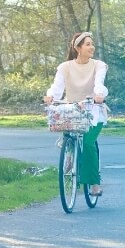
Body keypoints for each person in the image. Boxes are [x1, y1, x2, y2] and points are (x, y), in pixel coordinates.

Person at [44, 31, 109, 196]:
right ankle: (70, 167)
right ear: (77, 48)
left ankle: (94, 183)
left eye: (92, 44)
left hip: (93, 111)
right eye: (88, 44)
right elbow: (57, 87)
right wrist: (51, 96)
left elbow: (98, 83)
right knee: (69, 139)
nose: (92, 47)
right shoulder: (65, 67)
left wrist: (99, 95)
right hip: (72, 112)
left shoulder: (98, 65)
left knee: (88, 143)